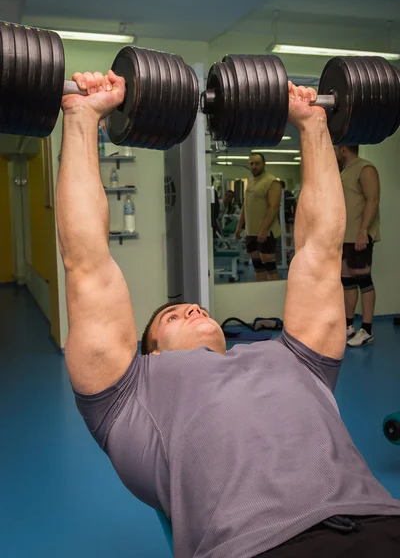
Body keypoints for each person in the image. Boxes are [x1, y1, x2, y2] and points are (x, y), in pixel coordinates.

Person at [57, 72, 400, 558]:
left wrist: (313, 122)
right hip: (255, 547)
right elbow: (87, 262)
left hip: (381, 521)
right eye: (173, 317)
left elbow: (321, 251)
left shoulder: (297, 358)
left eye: (194, 307)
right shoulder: (128, 398)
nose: (193, 307)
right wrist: (81, 117)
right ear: (148, 354)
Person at [335, 145, 380, 347]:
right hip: (345, 236)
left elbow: (373, 200)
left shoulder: (365, 168)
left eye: (335, 148)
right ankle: (349, 325)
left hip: (358, 235)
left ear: (343, 149)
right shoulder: (344, 172)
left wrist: (363, 231)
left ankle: (367, 330)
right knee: (347, 280)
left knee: (363, 280)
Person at [235, 153, 282, 282]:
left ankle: (274, 296)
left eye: (257, 163)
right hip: (251, 231)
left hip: (266, 232)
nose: (254, 166)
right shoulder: (250, 181)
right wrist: (239, 227)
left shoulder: (272, 181)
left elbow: (274, 207)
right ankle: (261, 296)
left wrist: (264, 230)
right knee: (257, 265)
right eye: (251, 163)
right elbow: (246, 204)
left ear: (263, 164)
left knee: (269, 264)